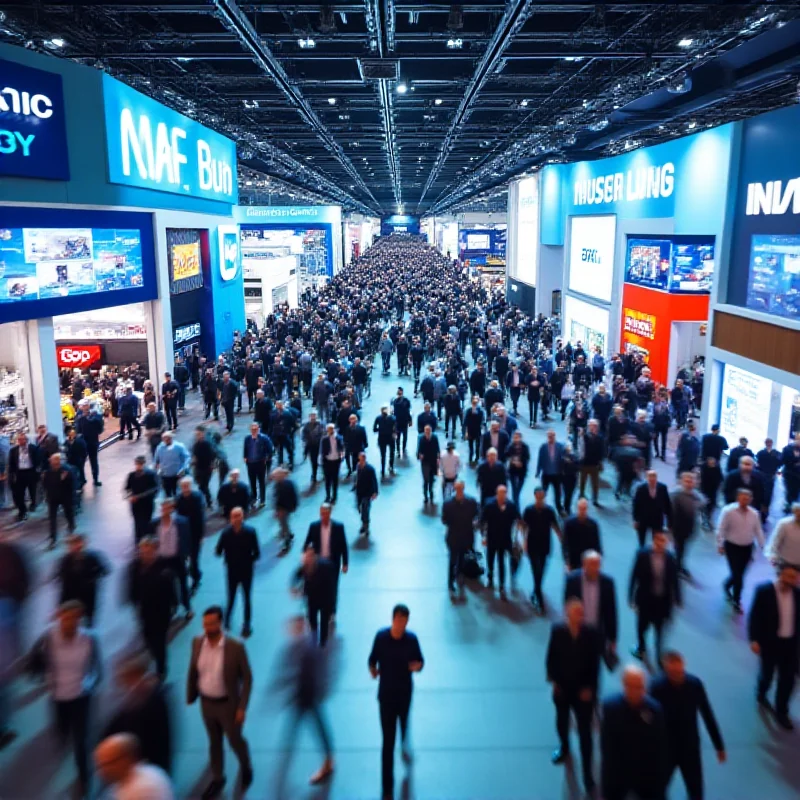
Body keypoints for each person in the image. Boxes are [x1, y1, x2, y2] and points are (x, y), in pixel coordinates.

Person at [26, 601, 102, 798]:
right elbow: (32, 662)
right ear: (59, 617)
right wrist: (44, 677)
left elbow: (97, 668)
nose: (71, 623)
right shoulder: (48, 638)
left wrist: (89, 685)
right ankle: (63, 736)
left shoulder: (89, 639)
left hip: (80, 697)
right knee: (61, 730)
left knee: (81, 741)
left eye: (75, 618)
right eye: (67, 618)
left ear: (80, 619)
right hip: (58, 696)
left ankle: (85, 779)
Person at [187, 605, 253, 799]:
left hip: (228, 705)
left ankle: (246, 766)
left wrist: (242, 707)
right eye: (205, 624)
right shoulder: (197, 642)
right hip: (206, 703)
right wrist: (191, 694)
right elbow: (193, 671)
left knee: (234, 740)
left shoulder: (235, 647)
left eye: (211, 623)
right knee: (214, 742)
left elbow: (248, 679)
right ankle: (218, 777)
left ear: (220, 623)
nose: (207, 628)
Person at [650, 651, 726, 800]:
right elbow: (649, 720)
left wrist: (719, 745)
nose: (677, 675)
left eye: (679, 671)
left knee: (696, 791)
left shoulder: (694, 685)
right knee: (657, 789)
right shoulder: (656, 688)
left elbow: (707, 714)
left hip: (690, 747)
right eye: (673, 672)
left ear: (684, 666)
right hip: (666, 748)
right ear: (666, 670)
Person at [368, 604, 424, 800]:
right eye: (399, 620)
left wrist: (417, 667)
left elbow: (420, 661)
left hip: (404, 695)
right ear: (392, 619)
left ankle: (404, 741)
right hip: (386, 697)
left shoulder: (412, 639)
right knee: (387, 743)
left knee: (404, 723)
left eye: (404, 621)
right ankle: (387, 788)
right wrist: (373, 670)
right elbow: (372, 660)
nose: (401, 624)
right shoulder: (381, 638)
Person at [545, 598, 600, 795]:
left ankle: (587, 774)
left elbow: (595, 666)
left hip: (583, 692)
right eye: (575, 613)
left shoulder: (591, 634)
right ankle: (564, 747)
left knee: (585, 732)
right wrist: (554, 682)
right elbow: (551, 658)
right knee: (562, 721)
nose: (579, 616)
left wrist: (591, 690)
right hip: (563, 689)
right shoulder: (558, 631)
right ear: (567, 614)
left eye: (581, 613)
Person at [601, 665, 667, 800]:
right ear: (623, 685)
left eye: (639, 687)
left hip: (646, 775)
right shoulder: (610, 708)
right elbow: (607, 747)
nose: (635, 691)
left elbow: (659, 747)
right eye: (630, 686)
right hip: (618, 774)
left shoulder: (654, 710)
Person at [749, 564, 800, 730]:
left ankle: (781, 712)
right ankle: (762, 692)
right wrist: (754, 639)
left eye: (794, 577)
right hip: (770, 643)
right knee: (767, 674)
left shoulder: (798, 595)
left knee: (788, 680)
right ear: (780, 575)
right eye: (788, 576)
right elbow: (754, 616)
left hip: (791, 645)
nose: (791, 580)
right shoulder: (764, 592)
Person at [102, 654, 173, 775]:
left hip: (149, 766)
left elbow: (153, 738)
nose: (126, 686)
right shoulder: (139, 698)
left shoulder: (152, 701)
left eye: (128, 680)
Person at [125, 538, 176, 679]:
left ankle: (161, 668)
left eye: (148, 550)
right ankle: (156, 655)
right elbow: (132, 586)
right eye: (143, 551)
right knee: (147, 638)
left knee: (159, 641)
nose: (145, 554)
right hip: (144, 611)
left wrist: (173, 605)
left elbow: (171, 588)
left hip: (161, 612)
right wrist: (133, 600)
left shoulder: (164, 566)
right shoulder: (135, 566)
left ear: (155, 550)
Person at [629, 531, 681, 664]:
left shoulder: (670, 558)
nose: (661, 544)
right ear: (653, 541)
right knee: (641, 627)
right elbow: (634, 576)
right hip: (645, 600)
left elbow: (675, 579)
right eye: (658, 540)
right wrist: (631, 596)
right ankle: (641, 648)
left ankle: (659, 654)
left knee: (660, 630)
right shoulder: (642, 554)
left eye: (664, 541)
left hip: (662, 601)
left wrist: (678, 597)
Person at [564, 550, 618, 667]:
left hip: (597, 632)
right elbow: (567, 605)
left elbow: (611, 611)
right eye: (592, 564)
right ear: (584, 564)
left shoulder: (608, 583)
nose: (595, 567)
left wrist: (613, 638)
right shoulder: (572, 580)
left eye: (598, 564)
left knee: (593, 665)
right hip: (577, 630)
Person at [717, 488, 765, 613]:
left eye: (748, 498)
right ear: (738, 498)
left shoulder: (754, 513)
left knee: (740, 573)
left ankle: (727, 585)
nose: (745, 500)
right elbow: (721, 528)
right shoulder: (728, 511)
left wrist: (762, 545)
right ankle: (737, 600)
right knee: (738, 576)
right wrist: (720, 544)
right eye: (743, 498)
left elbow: (758, 530)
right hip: (732, 547)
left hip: (747, 548)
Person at [215, 507, 260, 637]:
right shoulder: (225, 533)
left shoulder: (251, 532)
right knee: (232, 596)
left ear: (243, 516)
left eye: (239, 515)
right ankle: (227, 620)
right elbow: (219, 550)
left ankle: (246, 623)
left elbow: (257, 552)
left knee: (246, 597)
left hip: (245, 571)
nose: (236, 518)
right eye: (234, 516)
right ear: (230, 518)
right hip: (233, 571)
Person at [53, 533, 110, 627]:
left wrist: (94, 577)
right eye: (71, 544)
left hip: (88, 597)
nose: (74, 547)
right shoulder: (65, 560)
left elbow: (106, 570)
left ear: (83, 544)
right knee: (72, 624)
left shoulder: (93, 557)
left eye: (77, 543)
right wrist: (60, 605)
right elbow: (62, 582)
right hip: (71, 599)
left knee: (88, 624)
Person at [94, 733, 174, 800]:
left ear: (125, 759)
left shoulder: (143, 789)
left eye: (107, 764)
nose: (101, 771)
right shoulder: (147, 772)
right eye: (100, 765)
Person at [150, 498, 193, 622]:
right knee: (168, 585)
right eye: (163, 508)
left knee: (183, 583)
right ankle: (173, 608)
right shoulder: (155, 523)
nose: (164, 510)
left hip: (177, 558)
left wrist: (187, 555)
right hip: (162, 560)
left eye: (167, 507)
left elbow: (187, 539)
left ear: (172, 508)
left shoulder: (182, 522)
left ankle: (187, 607)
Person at [520, 486, 561, 613]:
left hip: (545, 543)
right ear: (535, 495)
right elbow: (523, 526)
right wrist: (524, 541)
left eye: (542, 494)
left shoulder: (549, 511)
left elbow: (555, 526)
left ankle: (536, 589)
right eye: (538, 494)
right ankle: (539, 595)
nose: (540, 497)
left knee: (542, 568)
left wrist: (562, 540)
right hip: (532, 543)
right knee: (535, 568)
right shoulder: (529, 510)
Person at [304, 503, 349, 618]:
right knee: (318, 587)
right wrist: (307, 556)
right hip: (317, 564)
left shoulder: (338, 527)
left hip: (333, 563)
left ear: (330, 513)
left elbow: (343, 545)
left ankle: (332, 611)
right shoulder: (314, 526)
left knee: (333, 587)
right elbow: (306, 543)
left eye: (325, 513)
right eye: (321, 514)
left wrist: (345, 563)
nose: (323, 516)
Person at [480, 484, 519, 600]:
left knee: (501, 561)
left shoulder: (511, 506)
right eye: (500, 493)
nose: (503, 496)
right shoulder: (489, 505)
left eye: (504, 493)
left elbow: (517, 519)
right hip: (492, 537)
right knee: (490, 559)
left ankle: (502, 585)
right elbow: (483, 520)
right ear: (497, 494)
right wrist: (484, 536)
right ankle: (490, 577)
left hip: (504, 538)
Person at [292, 548, 337, 646]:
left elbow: (331, 587)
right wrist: (294, 587)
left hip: (324, 599)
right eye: (305, 558)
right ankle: (314, 637)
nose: (306, 560)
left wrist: (331, 603)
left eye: (308, 558)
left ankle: (323, 641)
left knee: (324, 620)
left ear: (314, 557)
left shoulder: (325, 567)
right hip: (311, 599)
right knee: (312, 619)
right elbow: (296, 576)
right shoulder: (304, 567)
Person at [441, 480, 479, 599]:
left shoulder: (471, 502)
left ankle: (459, 576)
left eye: (460, 488)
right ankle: (451, 580)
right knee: (452, 559)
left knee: (462, 558)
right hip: (454, 536)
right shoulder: (448, 504)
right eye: (457, 488)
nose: (459, 491)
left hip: (466, 535)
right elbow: (444, 520)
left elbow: (477, 515)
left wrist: (475, 522)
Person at [670, 471, 705, 578]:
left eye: (691, 481)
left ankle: (678, 564)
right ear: (681, 482)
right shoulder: (675, 495)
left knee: (683, 547)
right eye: (686, 481)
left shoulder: (696, 495)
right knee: (679, 547)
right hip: (677, 526)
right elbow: (670, 512)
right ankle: (677, 567)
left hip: (690, 526)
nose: (689, 483)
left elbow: (702, 504)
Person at [176, 477, 206, 594]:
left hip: (195, 534)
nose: (185, 488)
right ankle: (196, 573)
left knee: (194, 559)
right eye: (183, 486)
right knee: (185, 559)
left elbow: (200, 519)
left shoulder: (197, 498)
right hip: (184, 535)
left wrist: (201, 536)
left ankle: (195, 580)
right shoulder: (179, 499)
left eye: (187, 486)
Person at [42, 453, 76, 549]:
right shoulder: (48, 473)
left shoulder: (66, 471)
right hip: (53, 498)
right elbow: (45, 485)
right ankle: (53, 538)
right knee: (52, 518)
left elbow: (71, 485)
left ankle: (71, 524)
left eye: (56, 460)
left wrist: (65, 479)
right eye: (52, 461)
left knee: (68, 513)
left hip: (64, 497)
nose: (54, 462)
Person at [632, 469, 673, 548]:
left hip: (657, 519)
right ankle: (642, 554)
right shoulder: (641, 488)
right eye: (650, 476)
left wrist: (669, 520)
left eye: (654, 476)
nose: (652, 479)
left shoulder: (662, 488)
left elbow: (667, 504)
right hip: (643, 518)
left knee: (657, 540)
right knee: (641, 541)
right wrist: (635, 519)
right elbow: (636, 504)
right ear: (646, 478)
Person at [125, 455, 160, 543]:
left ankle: (146, 538)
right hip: (135, 504)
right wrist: (130, 495)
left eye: (140, 464)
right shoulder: (132, 475)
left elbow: (155, 488)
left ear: (144, 464)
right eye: (137, 464)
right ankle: (138, 539)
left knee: (146, 521)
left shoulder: (150, 475)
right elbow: (127, 488)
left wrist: (140, 496)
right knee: (137, 521)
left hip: (147, 504)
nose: (138, 466)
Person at [8, 431, 41, 521]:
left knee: (32, 490)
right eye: (19, 439)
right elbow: (11, 464)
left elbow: (38, 461)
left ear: (26, 440)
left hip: (30, 472)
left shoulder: (33, 448)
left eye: (22, 439)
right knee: (19, 494)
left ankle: (33, 503)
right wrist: (11, 475)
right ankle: (22, 511)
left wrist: (38, 472)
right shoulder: (13, 450)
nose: (20, 441)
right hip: (20, 474)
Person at [563, 498, 603, 570]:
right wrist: (567, 561)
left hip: (588, 558)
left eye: (584, 508)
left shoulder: (593, 524)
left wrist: (598, 558)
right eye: (580, 508)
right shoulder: (569, 523)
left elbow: (597, 543)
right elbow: (565, 543)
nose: (582, 511)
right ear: (577, 508)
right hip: (573, 558)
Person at [243, 422, 273, 508]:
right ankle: (254, 498)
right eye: (252, 429)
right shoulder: (247, 439)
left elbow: (270, 450)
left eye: (255, 429)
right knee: (252, 482)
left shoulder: (264, 439)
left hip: (260, 463)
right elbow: (245, 449)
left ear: (259, 429)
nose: (254, 431)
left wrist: (266, 459)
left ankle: (262, 499)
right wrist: (245, 457)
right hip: (250, 463)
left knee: (261, 482)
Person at [74, 401, 104, 486]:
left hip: (93, 442)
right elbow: (77, 430)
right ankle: (82, 479)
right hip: (83, 443)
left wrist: (91, 418)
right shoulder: (79, 417)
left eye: (87, 405)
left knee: (94, 461)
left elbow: (100, 429)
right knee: (81, 462)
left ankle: (95, 479)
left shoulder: (96, 416)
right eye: (83, 406)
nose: (85, 408)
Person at [536, 429, 565, 515]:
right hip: (546, 474)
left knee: (558, 493)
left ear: (554, 436)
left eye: (552, 436)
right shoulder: (543, 447)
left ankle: (559, 508)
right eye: (549, 436)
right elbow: (540, 459)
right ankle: (541, 506)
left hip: (557, 474)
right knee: (543, 492)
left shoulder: (560, 446)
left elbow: (563, 460)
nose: (550, 438)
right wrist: (538, 471)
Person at [153, 431, 189, 498]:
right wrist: (157, 467)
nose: (166, 440)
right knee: (167, 493)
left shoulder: (179, 447)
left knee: (177, 493)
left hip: (177, 475)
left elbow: (186, 458)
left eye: (168, 438)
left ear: (171, 438)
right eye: (164, 439)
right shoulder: (160, 448)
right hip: (165, 475)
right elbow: (156, 460)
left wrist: (183, 469)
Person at [273, 467, 299, 554]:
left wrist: (281, 510)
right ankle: (289, 535)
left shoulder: (286, 485)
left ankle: (287, 542)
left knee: (284, 525)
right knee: (284, 524)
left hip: (285, 509)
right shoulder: (279, 484)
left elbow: (292, 497)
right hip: (282, 508)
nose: (275, 478)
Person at [579, 419, 604, 507]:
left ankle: (595, 498)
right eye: (591, 425)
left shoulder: (600, 437)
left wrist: (600, 461)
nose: (593, 427)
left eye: (594, 426)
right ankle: (581, 494)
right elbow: (581, 448)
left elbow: (601, 451)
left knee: (595, 483)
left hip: (595, 463)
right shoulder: (584, 436)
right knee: (583, 481)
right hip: (585, 463)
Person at [756, 438, 782, 522]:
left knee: (767, 494)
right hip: (766, 476)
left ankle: (763, 512)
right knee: (764, 493)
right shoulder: (776, 453)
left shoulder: (761, 453)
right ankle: (763, 512)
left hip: (767, 476)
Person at [767, 503, 800, 569]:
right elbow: (775, 541)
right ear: (794, 512)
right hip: (784, 562)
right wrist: (773, 555)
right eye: (798, 512)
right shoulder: (784, 524)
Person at [354, 451, 379, 536]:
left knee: (365, 509)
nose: (360, 460)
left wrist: (375, 492)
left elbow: (374, 480)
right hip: (359, 492)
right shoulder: (358, 466)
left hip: (367, 492)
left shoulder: (370, 469)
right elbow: (357, 477)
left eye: (361, 459)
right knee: (361, 509)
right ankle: (363, 524)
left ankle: (366, 526)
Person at [505, 430, 530, 510]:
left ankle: (515, 504)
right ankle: (517, 510)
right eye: (515, 437)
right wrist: (513, 460)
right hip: (512, 471)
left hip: (522, 471)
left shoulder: (525, 447)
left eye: (518, 437)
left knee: (518, 491)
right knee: (514, 490)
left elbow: (527, 457)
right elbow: (506, 455)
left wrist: (521, 462)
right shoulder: (510, 446)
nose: (516, 439)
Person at [416, 424, 441, 505]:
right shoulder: (421, 438)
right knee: (426, 479)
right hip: (425, 462)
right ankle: (426, 495)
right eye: (426, 431)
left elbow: (437, 448)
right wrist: (419, 455)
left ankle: (431, 492)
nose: (427, 432)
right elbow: (418, 448)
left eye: (428, 431)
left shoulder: (434, 437)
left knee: (432, 478)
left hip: (433, 461)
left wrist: (438, 458)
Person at [321, 423, 344, 504]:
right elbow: (322, 451)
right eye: (329, 429)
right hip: (327, 461)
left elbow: (342, 448)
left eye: (332, 429)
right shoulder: (324, 439)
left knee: (335, 480)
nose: (330, 430)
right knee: (327, 480)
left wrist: (341, 456)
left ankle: (334, 496)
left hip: (336, 461)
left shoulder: (339, 438)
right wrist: (323, 463)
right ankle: (328, 496)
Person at [373, 405, 397, 479]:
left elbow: (374, 429)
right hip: (390, 438)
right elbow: (395, 428)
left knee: (383, 455)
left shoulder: (378, 418)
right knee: (391, 453)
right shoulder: (392, 418)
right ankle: (391, 466)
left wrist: (380, 430)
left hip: (382, 438)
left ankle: (383, 470)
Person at [302, 411, 325, 484]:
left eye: (314, 416)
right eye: (311, 416)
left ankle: (324, 473)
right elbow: (304, 435)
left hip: (319, 446)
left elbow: (323, 433)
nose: (313, 417)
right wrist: (306, 440)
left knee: (322, 460)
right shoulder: (306, 425)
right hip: (311, 446)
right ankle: (314, 475)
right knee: (313, 461)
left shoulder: (320, 424)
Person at [344, 413, 369, 478]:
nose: (353, 420)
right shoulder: (347, 428)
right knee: (351, 460)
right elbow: (345, 438)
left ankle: (359, 473)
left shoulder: (361, 428)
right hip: (351, 447)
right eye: (351, 419)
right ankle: (351, 470)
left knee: (358, 461)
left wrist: (365, 444)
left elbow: (364, 437)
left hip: (359, 447)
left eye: (354, 419)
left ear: (356, 420)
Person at [391, 387, 412, 457]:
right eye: (398, 391)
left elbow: (408, 411)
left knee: (405, 436)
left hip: (404, 421)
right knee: (398, 437)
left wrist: (410, 420)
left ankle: (403, 448)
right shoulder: (395, 400)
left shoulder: (406, 400)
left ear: (402, 392)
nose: (399, 392)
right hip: (397, 422)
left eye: (400, 391)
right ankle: (398, 450)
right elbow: (393, 411)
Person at [463, 395, 485, 463]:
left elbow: (482, 420)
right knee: (471, 445)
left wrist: (482, 428)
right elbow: (465, 421)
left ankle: (477, 457)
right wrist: (466, 432)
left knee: (477, 445)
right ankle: (471, 456)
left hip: (477, 430)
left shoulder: (480, 411)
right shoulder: (468, 410)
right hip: (470, 430)